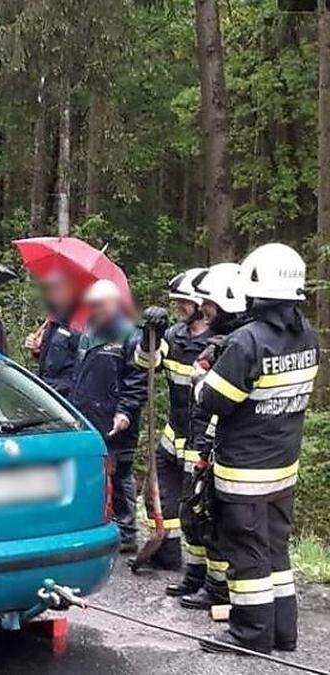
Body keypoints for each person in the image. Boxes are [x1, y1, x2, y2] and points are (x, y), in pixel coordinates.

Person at [193, 244, 317, 655]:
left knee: (246, 555)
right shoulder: (308, 336)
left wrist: (201, 375)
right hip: (284, 466)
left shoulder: (247, 341)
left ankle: (250, 635)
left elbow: (213, 401)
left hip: (244, 471)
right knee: (275, 550)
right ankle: (284, 633)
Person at [176, 263, 247, 612]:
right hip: (200, 439)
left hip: (215, 444)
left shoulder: (235, 346)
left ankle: (216, 588)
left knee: (210, 519)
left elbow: (217, 403)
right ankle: (200, 578)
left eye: (210, 305)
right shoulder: (221, 344)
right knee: (194, 514)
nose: (205, 311)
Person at [133, 268, 211, 572]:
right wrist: (148, 335)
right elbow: (146, 363)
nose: (178, 308)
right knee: (160, 499)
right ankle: (167, 554)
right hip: (173, 436)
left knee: (197, 508)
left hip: (202, 438)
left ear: (202, 304)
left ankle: (202, 571)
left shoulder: (220, 340)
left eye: (184, 303)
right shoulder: (174, 335)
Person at [66, 279, 147, 553]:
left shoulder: (131, 336)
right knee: (91, 471)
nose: (95, 309)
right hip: (85, 412)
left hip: (116, 418)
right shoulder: (85, 332)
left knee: (121, 473)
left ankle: (127, 532)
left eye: (100, 304)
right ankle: (96, 523)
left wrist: (125, 411)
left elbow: (138, 380)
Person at [25, 270, 82, 397]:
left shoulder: (77, 325)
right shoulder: (53, 321)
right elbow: (48, 358)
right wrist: (36, 349)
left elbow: (79, 366)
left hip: (64, 394)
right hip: (45, 389)